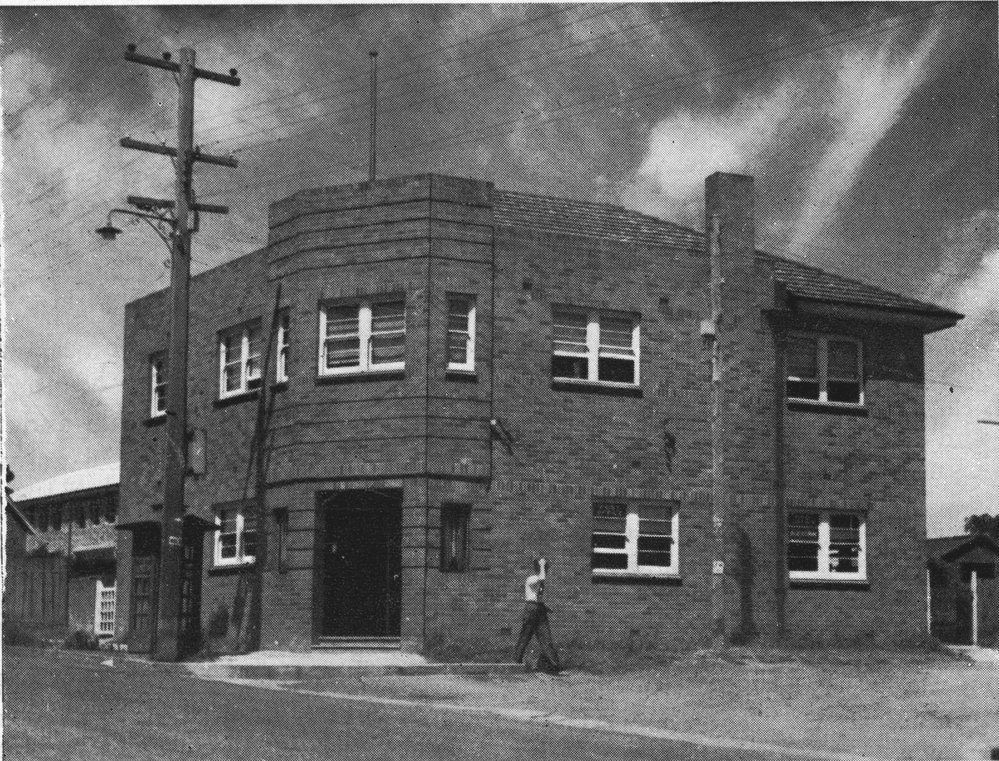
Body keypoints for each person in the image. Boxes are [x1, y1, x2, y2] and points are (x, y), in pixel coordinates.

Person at [513, 557, 561, 673]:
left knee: (546, 638)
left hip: (539, 610)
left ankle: (554, 665)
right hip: (531, 609)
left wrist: (544, 607)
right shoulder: (532, 578)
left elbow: (537, 597)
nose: (547, 570)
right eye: (545, 568)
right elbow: (542, 577)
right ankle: (515, 663)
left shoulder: (539, 580)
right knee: (525, 637)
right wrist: (542, 565)